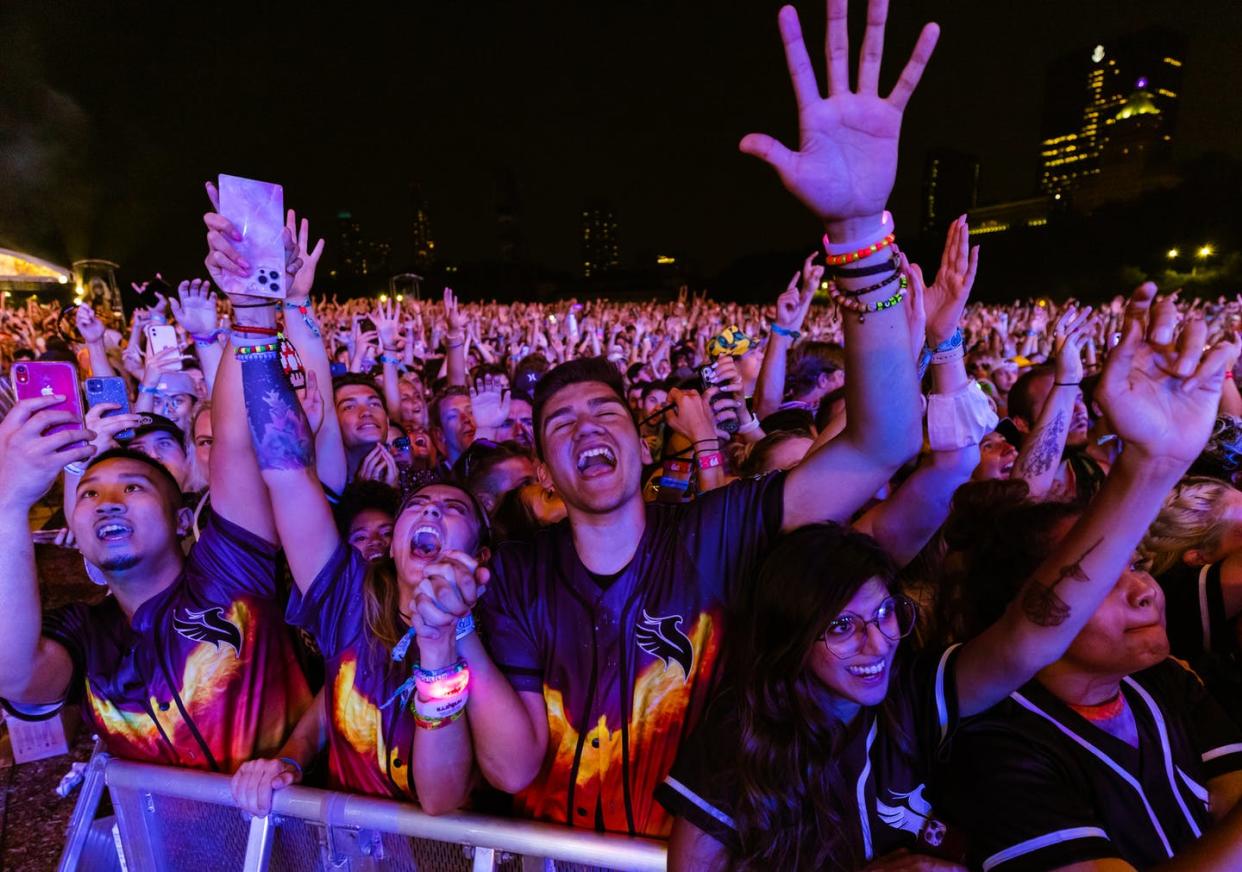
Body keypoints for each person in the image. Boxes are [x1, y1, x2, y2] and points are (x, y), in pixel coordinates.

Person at [453, 0, 947, 837]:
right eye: (559, 423)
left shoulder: (719, 533)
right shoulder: (517, 577)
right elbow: (508, 766)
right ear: (541, 467)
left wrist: (859, 233)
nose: (583, 427)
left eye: (603, 409)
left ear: (642, 439)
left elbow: (885, 442)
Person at [660, 281, 1240, 870]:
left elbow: (1031, 632)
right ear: (791, 634)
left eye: (886, 612)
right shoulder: (744, 733)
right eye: (841, 627)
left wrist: (1152, 466)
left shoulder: (912, 696)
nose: (876, 642)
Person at [204, 201, 486, 814]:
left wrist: (440, 644)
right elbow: (287, 470)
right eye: (422, 503)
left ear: (483, 555)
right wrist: (253, 320)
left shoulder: (498, 625)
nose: (431, 512)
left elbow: (441, 802)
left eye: (452, 506)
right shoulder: (350, 601)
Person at [0, 345, 314, 772]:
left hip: (287, 833)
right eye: (90, 493)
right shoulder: (84, 634)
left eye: (133, 488)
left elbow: (235, 443)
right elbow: (16, 675)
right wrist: (9, 503)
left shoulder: (232, 571)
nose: (107, 503)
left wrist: (243, 317)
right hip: (167, 840)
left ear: (183, 520)